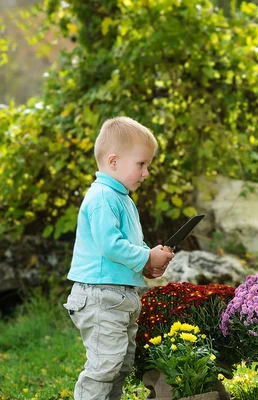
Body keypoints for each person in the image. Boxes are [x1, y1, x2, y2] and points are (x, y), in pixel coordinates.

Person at [63, 116, 175, 399]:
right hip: (100, 296)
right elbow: (111, 246)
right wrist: (145, 256)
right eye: (141, 164)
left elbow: (129, 243)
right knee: (105, 366)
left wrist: (147, 263)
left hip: (119, 296)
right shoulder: (102, 197)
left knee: (120, 365)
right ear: (113, 162)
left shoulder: (121, 197)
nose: (146, 172)